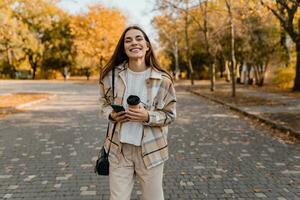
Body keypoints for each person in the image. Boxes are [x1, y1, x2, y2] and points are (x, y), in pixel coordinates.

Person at [98, 25, 176, 200]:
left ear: (147, 45)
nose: (134, 42)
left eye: (139, 38)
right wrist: (111, 115)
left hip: (151, 150)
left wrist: (147, 116)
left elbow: (170, 115)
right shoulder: (111, 76)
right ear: (124, 48)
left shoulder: (163, 80)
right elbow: (103, 103)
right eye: (128, 40)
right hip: (119, 150)